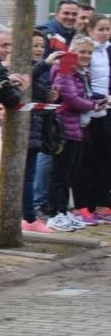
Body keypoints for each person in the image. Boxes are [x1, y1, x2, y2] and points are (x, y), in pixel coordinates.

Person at [46, 37, 102, 231]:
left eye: (89, 52)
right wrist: (94, 105)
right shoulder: (65, 69)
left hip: (77, 128)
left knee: (70, 174)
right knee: (60, 174)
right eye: (82, 52)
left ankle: (63, 210)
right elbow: (71, 98)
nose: (86, 56)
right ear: (72, 52)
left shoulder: (81, 72)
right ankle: (54, 212)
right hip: (65, 128)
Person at [71, 14, 110, 226]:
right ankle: (82, 205)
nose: (105, 33)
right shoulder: (87, 50)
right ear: (91, 30)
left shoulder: (107, 50)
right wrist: (94, 100)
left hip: (104, 112)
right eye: (101, 29)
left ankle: (101, 204)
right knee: (85, 161)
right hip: (87, 111)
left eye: (107, 29)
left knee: (104, 159)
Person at [23, 30, 56, 233]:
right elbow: (26, 81)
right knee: (28, 175)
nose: (38, 49)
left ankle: (28, 215)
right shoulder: (27, 68)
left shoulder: (40, 71)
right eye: (34, 45)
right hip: (25, 130)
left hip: (36, 128)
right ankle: (28, 216)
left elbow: (36, 90)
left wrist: (49, 95)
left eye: (41, 46)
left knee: (30, 174)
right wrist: (45, 64)